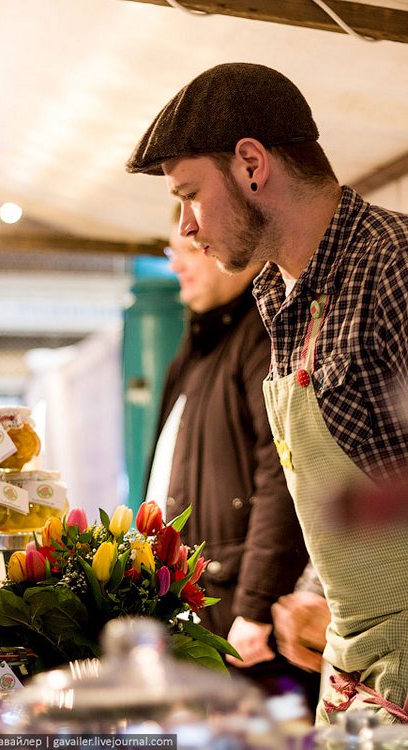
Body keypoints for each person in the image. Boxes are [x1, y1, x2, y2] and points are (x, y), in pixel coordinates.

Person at [126, 63, 408, 725]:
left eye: (191, 195)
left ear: (252, 164)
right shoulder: (277, 296)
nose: (186, 229)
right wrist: (318, 591)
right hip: (355, 672)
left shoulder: (394, 266)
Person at [146, 211, 319, 709]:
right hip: (204, 610)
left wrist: (255, 605)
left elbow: (283, 474)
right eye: (171, 252)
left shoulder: (263, 337)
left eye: (189, 250)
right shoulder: (200, 344)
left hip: (243, 630)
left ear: (237, 254)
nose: (177, 264)